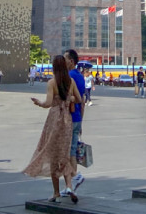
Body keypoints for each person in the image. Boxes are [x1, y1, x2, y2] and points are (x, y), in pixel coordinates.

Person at [25, 54, 82, 203]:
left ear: (54, 67)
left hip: (55, 119)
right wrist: (70, 98)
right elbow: (79, 99)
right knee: (64, 154)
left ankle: (56, 192)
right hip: (67, 120)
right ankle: (69, 186)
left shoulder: (52, 82)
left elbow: (48, 103)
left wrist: (38, 103)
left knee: (52, 155)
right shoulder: (71, 82)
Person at [65, 49, 86, 195]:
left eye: (65, 59)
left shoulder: (69, 76)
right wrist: (81, 121)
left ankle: (74, 177)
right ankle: (70, 185)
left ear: (71, 61)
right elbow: (82, 101)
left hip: (69, 117)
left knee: (68, 151)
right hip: (77, 117)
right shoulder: (80, 76)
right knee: (71, 149)